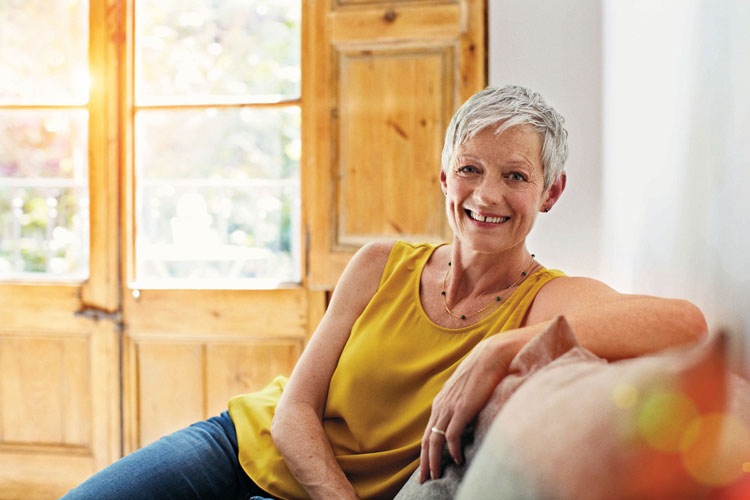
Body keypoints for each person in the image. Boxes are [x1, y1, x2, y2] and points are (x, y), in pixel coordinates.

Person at [61, 85, 707, 500]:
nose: (485, 195)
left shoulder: (545, 301)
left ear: (550, 193)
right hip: (233, 447)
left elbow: (685, 323)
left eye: (515, 175)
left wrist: (499, 348)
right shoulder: (379, 266)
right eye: (470, 169)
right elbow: (293, 412)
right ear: (444, 175)